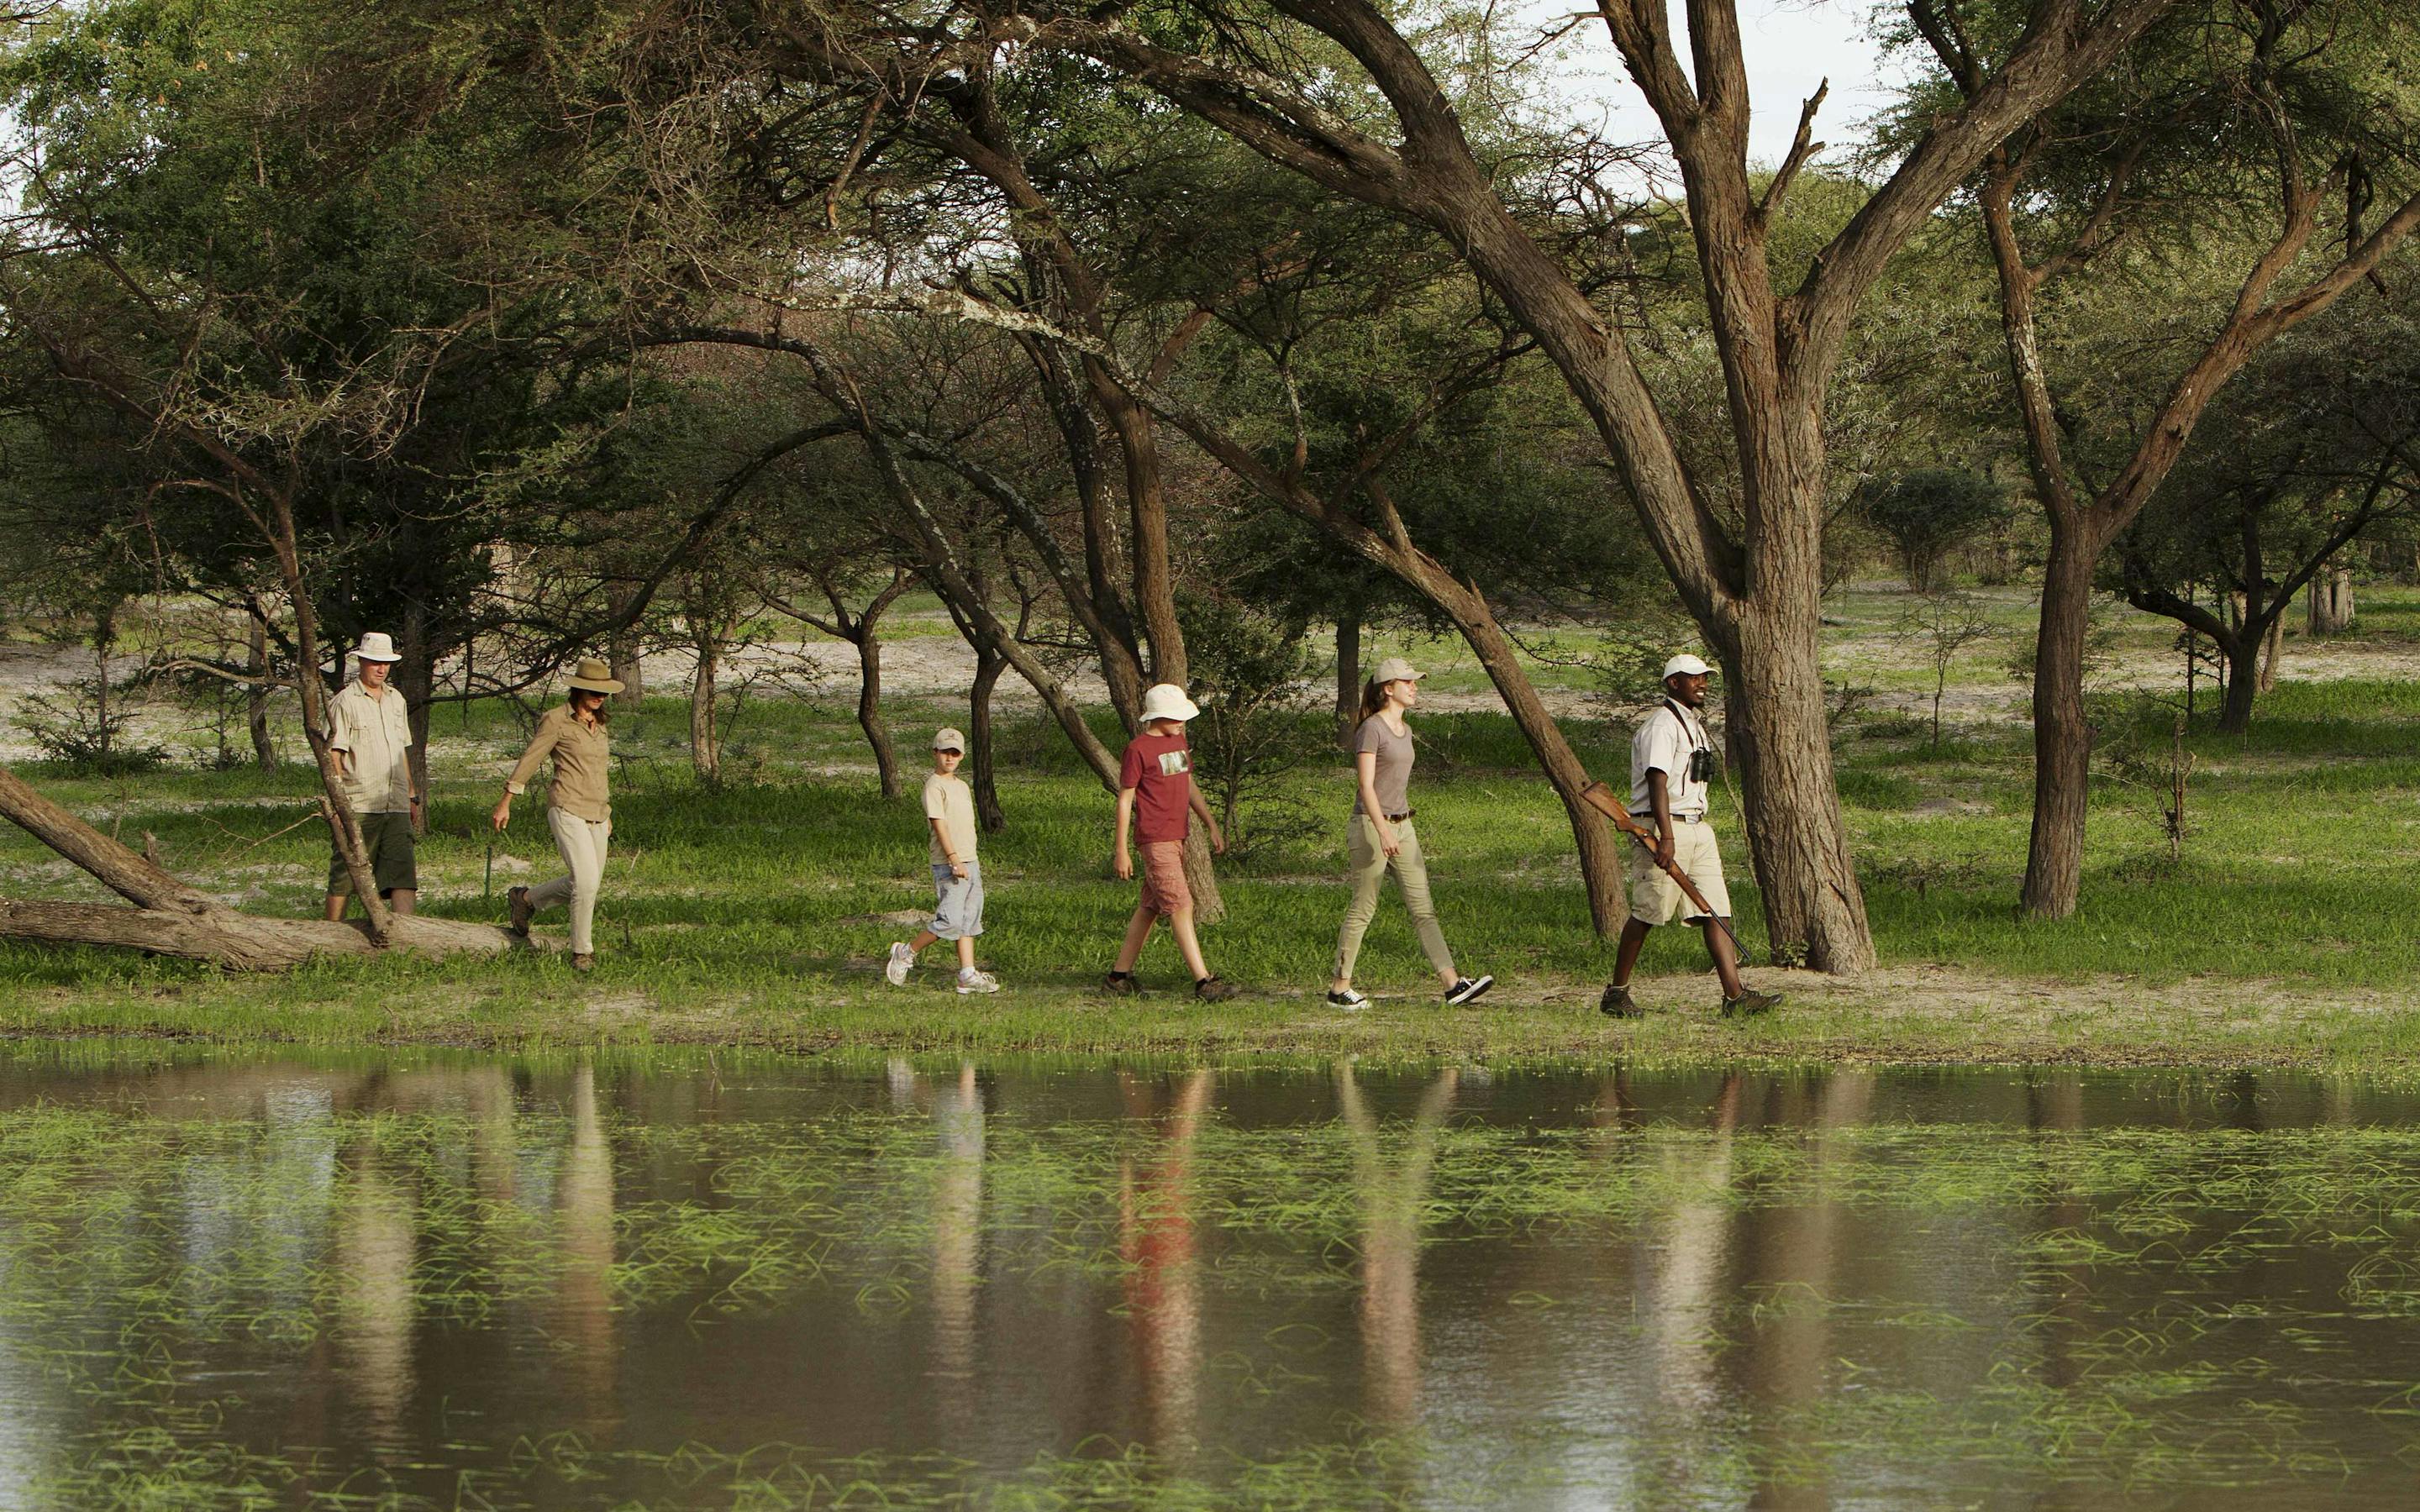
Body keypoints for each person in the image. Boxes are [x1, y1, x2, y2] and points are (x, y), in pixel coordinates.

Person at [1600, 654, 1781, 1019]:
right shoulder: (1662, 726)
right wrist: (1665, 838)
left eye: (1704, 678)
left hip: (1698, 827)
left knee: (1716, 909)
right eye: (1693, 678)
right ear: (1673, 683)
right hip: (1664, 828)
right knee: (1648, 912)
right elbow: (1657, 780)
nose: (1702, 684)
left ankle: (1735, 997)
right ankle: (1616, 993)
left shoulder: (1693, 724)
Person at [1325, 657, 1492, 1009]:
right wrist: (1383, 830)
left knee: (1423, 909)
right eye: (1408, 682)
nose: (1415, 687)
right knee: (1363, 907)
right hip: (1371, 826)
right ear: (1388, 689)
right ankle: (1340, 988)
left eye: (1415, 682)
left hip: (1404, 825)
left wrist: (1396, 828)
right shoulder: (1372, 729)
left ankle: (1452, 983)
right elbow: (1365, 786)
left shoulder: (1406, 728)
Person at [1105, 683, 1239, 1001]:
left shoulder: (1178, 742)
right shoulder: (1138, 749)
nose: (1182, 722)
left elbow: (1188, 783)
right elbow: (1125, 800)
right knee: (1181, 905)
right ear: (1158, 716)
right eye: (1176, 716)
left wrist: (1210, 823)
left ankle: (1118, 976)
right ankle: (1203, 982)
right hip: (1155, 839)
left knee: (1150, 907)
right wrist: (1121, 850)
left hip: (1177, 836)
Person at [493, 658, 621, 973]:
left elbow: (599, 772)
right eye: (593, 690)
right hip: (567, 807)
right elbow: (531, 759)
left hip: (598, 811)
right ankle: (582, 953)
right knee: (587, 883)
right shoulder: (556, 720)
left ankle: (524, 900)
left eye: (603, 692)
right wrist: (506, 800)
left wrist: (608, 811)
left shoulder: (600, 724)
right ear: (578, 689)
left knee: (586, 882)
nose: (598, 697)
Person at [886, 728, 1000, 995]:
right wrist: (953, 858)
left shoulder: (961, 786)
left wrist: (968, 859)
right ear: (935, 753)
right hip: (950, 864)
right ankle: (905, 952)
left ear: (961, 756)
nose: (949, 758)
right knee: (949, 920)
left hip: (970, 861)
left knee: (970, 919)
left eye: (955, 753)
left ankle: (967, 974)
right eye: (945, 752)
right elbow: (939, 824)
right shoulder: (933, 786)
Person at [323, 632, 420, 921]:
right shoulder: (345, 702)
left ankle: (406, 936)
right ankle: (330, 933)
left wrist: (412, 796)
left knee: (403, 872)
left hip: (396, 801)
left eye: (386, 663)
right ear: (362, 661)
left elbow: (401, 750)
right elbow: (334, 755)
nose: (381, 669)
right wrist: (339, 803)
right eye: (375, 662)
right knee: (346, 869)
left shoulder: (396, 700)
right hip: (360, 801)